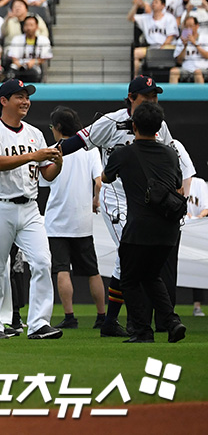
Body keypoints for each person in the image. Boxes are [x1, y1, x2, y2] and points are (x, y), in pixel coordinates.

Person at [56, 75, 174, 337]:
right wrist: (44, 155)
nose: (152, 101)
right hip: (116, 196)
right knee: (132, 253)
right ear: (131, 98)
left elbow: (168, 157)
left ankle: (112, 322)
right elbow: (77, 141)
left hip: (147, 200)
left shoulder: (159, 124)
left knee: (130, 258)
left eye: (155, 96)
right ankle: (137, 323)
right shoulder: (110, 121)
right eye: (147, 96)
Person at [0, 79, 64, 341]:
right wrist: (32, 156)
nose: (25, 101)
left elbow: (46, 174)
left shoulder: (35, 133)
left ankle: (38, 323)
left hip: (29, 207)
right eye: (19, 96)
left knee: (42, 261)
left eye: (27, 96)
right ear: (4, 101)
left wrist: (57, 162)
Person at [102, 101, 187, 344]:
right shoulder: (171, 153)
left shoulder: (124, 153)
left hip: (140, 227)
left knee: (129, 278)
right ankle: (171, 321)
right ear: (160, 127)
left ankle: (142, 331)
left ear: (134, 125)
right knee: (151, 276)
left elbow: (106, 177)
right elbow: (178, 181)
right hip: (168, 228)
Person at [44, 106, 108, 331]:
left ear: (58, 127)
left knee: (62, 269)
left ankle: (69, 316)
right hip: (83, 221)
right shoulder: (90, 150)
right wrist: (95, 199)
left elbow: (43, 181)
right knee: (93, 271)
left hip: (56, 221)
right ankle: (102, 316)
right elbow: (99, 180)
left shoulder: (51, 151)